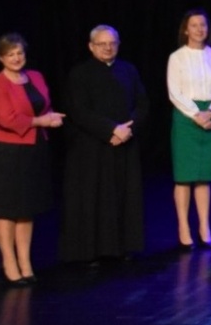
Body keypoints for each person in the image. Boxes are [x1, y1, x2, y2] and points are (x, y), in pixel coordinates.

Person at [59, 25, 148, 264]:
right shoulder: (80, 74)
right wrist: (111, 129)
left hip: (125, 143)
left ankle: (122, 248)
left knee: (123, 196)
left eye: (112, 43)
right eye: (102, 44)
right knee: (95, 197)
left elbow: (142, 104)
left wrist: (128, 129)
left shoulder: (128, 70)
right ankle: (92, 251)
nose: (108, 48)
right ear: (91, 46)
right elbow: (79, 110)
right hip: (93, 147)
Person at [0, 34, 63, 285]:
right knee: (7, 208)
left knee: (26, 207)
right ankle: (9, 263)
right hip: (7, 152)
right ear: (1, 58)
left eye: (19, 53)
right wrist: (42, 121)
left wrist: (51, 116)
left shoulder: (36, 77)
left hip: (34, 148)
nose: (16, 58)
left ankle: (25, 262)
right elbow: (7, 119)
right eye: (10, 54)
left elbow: (42, 105)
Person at [166, 9, 211, 249]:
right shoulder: (177, 57)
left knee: (204, 177)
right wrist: (196, 114)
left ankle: (204, 226)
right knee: (184, 177)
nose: (199, 29)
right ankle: (183, 227)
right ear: (186, 29)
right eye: (194, 25)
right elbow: (175, 92)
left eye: (203, 25)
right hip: (186, 116)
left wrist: (210, 112)